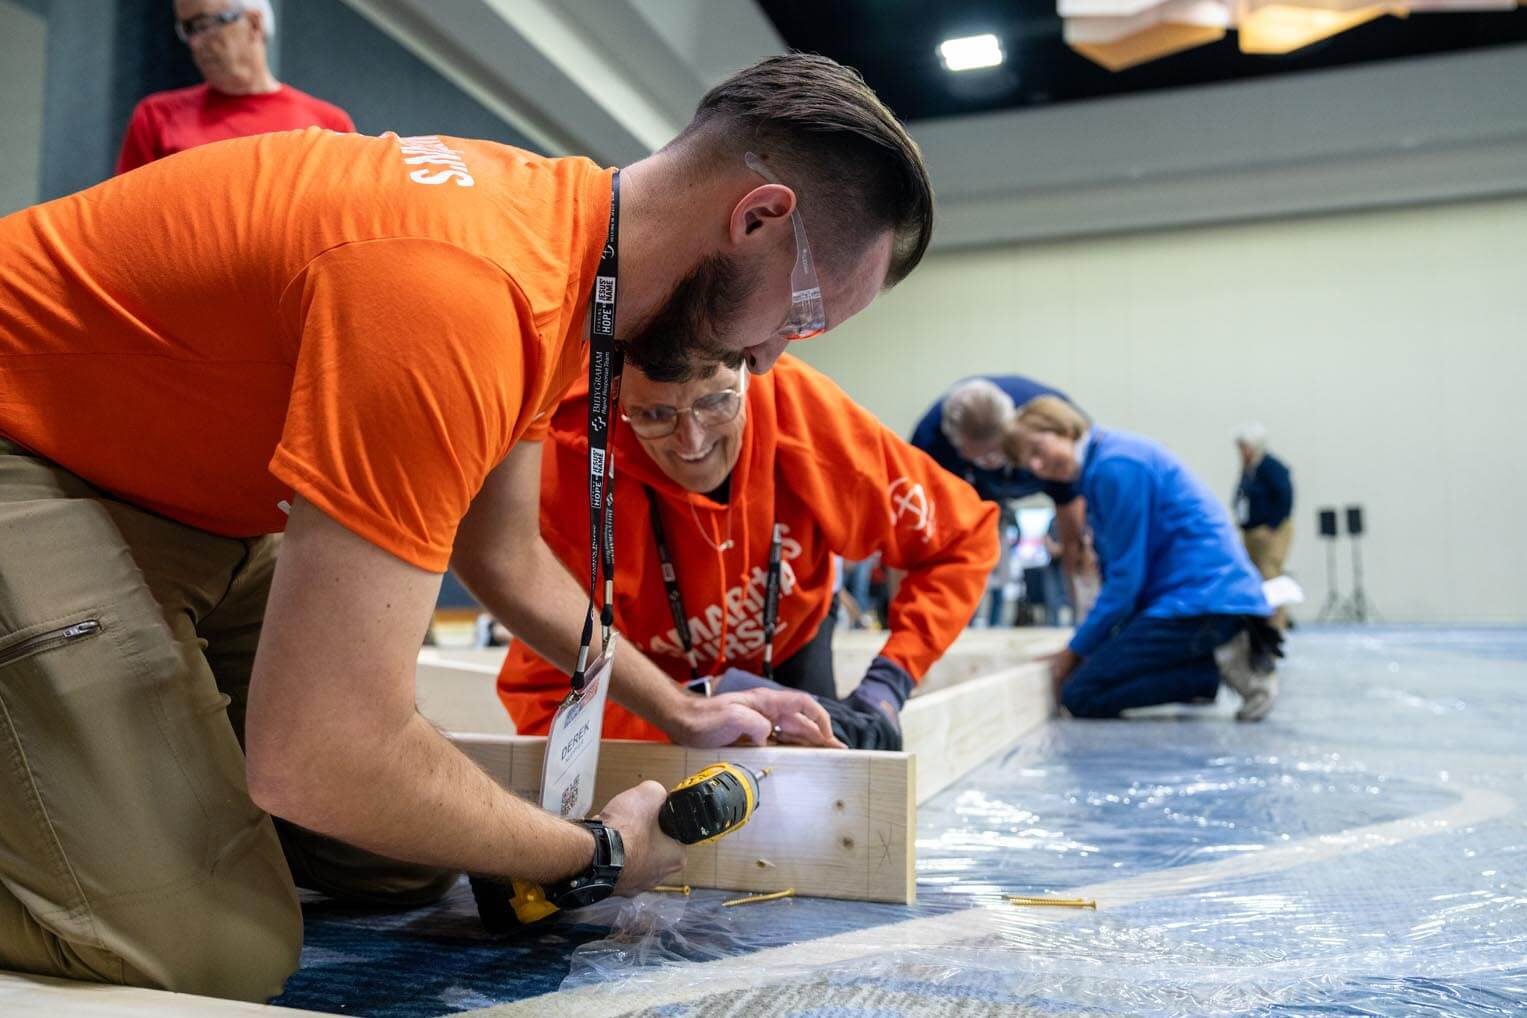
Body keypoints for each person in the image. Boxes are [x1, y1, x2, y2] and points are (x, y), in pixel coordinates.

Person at [0, 54, 933, 1001]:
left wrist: (683, 711)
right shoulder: (459, 291)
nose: (772, 358)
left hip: (169, 496)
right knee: (216, 948)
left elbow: (504, 556)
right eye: (804, 315)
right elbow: (319, 756)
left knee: (400, 855)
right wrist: (598, 853)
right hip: (25, 459)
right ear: (757, 217)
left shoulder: (564, 253)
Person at [497, 355, 998, 751]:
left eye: (716, 402)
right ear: (615, 398)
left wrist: (889, 683)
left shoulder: (807, 414)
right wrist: (679, 713)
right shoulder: (569, 462)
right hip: (653, 679)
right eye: (653, 414)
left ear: (748, 369)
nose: (690, 441)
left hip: (790, 639)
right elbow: (547, 707)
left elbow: (964, 538)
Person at [1004, 397, 1281, 722]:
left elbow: (1125, 583)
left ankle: (1216, 664)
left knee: (1081, 694)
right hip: (1194, 598)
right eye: (1028, 465)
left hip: (1202, 601)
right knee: (1097, 668)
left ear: (1061, 428)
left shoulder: (1115, 466)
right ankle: (1205, 672)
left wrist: (1074, 651)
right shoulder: (1103, 464)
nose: (1037, 467)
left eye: (1037, 450)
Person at [911, 376, 1095, 622]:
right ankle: (946, 621)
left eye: (997, 451)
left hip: (1041, 468)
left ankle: (1082, 618)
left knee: (1076, 539)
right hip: (969, 487)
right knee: (940, 547)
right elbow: (911, 531)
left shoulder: (1048, 421)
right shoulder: (930, 441)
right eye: (982, 455)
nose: (991, 461)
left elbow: (1074, 515)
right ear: (957, 444)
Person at [116, 1, 355, 174]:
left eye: (206, 24)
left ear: (254, 24)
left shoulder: (330, 126)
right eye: (188, 29)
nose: (195, 43)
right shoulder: (157, 117)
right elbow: (125, 222)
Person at [1234, 423, 1295, 629]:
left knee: (1271, 574)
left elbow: (1285, 495)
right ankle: (1260, 621)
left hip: (1270, 532)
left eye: (1244, 446)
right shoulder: (1249, 469)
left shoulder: (1271, 467)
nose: (1241, 451)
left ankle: (1277, 622)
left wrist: (1272, 525)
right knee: (1255, 575)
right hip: (1251, 531)